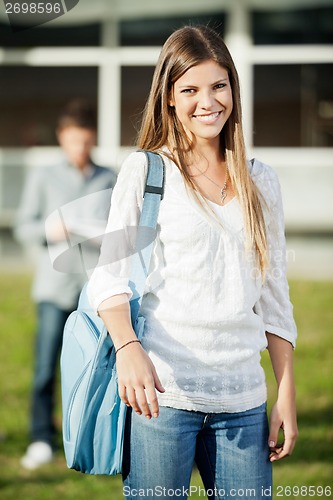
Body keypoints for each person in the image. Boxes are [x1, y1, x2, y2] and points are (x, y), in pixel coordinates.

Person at [87, 26, 298, 499]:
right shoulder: (146, 172)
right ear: (169, 98)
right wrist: (128, 350)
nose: (208, 101)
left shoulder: (261, 181)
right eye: (190, 90)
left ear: (233, 90)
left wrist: (285, 391)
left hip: (244, 401)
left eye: (218, 85)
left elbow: (275, 296)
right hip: (163, 398)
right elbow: (109, 279)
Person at [15, 99, 117, 470]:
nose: (80, 149)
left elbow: (121, 234)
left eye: (86, 142)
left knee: (97, 366)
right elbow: (23, 226)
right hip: (53, 288)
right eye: (73, 141)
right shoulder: (44, 176)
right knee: (45, 367)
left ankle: (91, 434)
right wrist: (50, 229)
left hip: (94, 291)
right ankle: (41, 437)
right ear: (62, 138)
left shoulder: (109, 178)